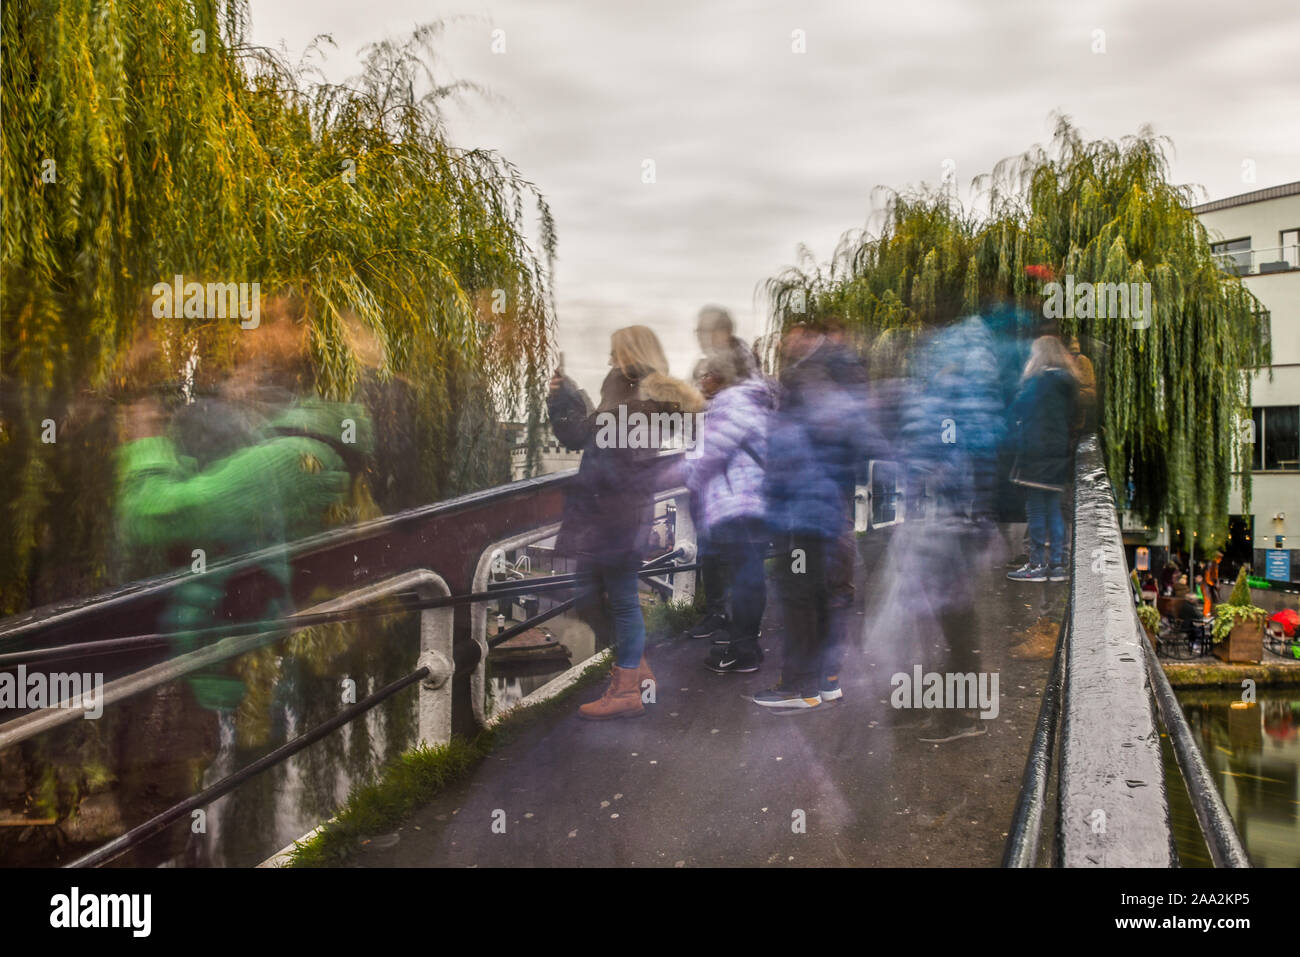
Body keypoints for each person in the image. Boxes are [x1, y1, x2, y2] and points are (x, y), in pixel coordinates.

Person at [547, 326, 703, 720]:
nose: (609, 359)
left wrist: (566, 400)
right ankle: (636, 670)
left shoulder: (635, 394)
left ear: (629, 354)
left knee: (611, 595)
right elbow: (586, 435)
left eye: (615, 352)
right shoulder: (636, 391)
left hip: (616, 511)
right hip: (618, 508)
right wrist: (567, 397)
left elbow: (585, 435)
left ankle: (627, 688)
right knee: (598, 594)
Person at [752, 320, 867, 709]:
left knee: (801, 592)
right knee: (831, 593)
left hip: (804, 511)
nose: (786, 342)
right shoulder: (847, 381)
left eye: (793, 336)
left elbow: (787, 450)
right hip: (832, 508)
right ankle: (827, 680)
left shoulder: (807, 381)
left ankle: (799, 688)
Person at [680, 350, 773, 674]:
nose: (702, 381)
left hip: (738, 504)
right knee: (749, 576)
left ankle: (744, 651)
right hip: (755, 501)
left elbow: (713, 453)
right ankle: (744, 641)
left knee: (745, 578)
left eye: (707, 375)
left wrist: (690, 476)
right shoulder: (757, 399)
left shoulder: (733, 403)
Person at [1006, 336, 1079, 583]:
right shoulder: (1068, 383)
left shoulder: (1037, 381)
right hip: (1058, 454)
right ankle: (1057, 565)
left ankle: (1036, 565)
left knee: (1035, 510)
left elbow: (1017, 409)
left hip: (1035, 455)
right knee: (1055, 510)